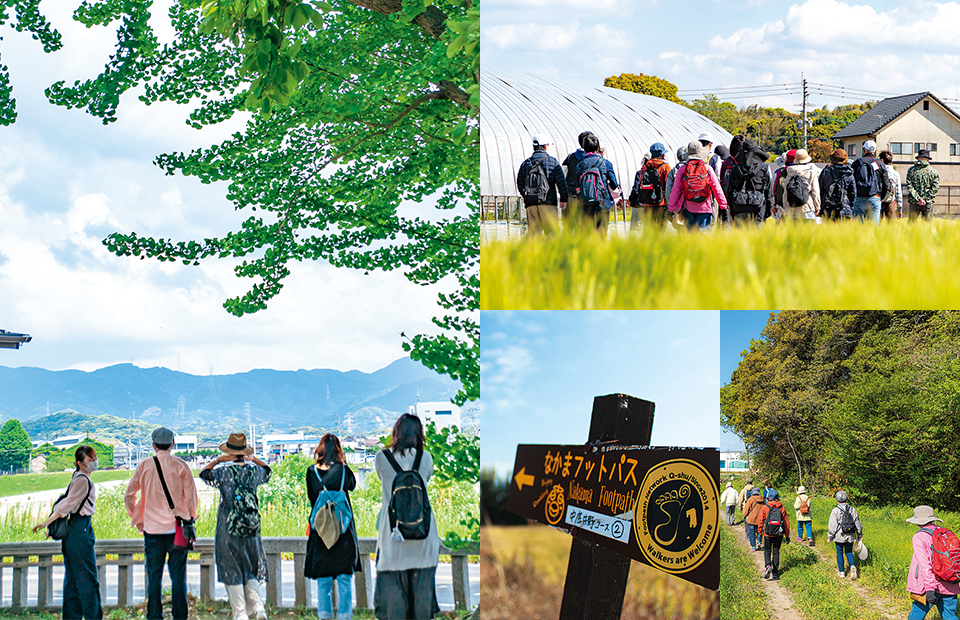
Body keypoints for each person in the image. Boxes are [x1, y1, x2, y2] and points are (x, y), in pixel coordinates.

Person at [125, 427, 199, 620]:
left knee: (154, 578)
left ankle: (155, 616)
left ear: (153, 445)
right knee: (178, 577)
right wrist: (190, 517)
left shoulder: (144, 466)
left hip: (152, 531)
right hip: (177, 530)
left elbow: (129, 495)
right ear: (173, 444)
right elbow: (191, 497)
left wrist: (138, 516)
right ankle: (180, 616)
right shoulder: (181, 465)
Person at [374, 414, 441, 619]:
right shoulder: (426, 457)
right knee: (421, 606)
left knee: (394, 608)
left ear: (396, 433)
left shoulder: (381, 457)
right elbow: (425, 479)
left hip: (393, 540)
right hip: (424, 537)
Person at [199, 433, 271, 620]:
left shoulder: (223, 472)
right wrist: (254, 459)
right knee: (250, 568)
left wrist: (218, 460)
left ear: (229, 452)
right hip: (251, 528)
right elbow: (268, 471)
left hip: (227, 529)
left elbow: (204, 474)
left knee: (231, 568)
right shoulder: (255, 472)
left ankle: (240, 613)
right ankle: (258, 607)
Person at [33, 445, 102, 620]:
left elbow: (65, 504)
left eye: (94, 458)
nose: (94, 462)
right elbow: (65, 505)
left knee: (72, 580)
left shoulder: (78, 477)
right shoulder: (82, 480)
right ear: (80, 463)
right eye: (90, 460)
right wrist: (47, 522)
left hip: (74, 531)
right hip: (80, 529)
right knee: (88, 579)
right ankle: (93, 616)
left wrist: (50, 524)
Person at [306, 434, 361, 620]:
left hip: (321, 531)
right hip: (343, 530)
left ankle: (325, 616)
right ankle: (345, 616)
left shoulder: (311, 472)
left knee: (324, 580)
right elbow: (352, 486)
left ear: (320, 449)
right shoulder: (344, 471)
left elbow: (312, 497)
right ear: (338, 450)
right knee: (344, 579)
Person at [906, 505, 959, 619]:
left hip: (928, 586)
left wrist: (930, 589)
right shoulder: (944, 533)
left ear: (918, 522)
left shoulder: (919, 537)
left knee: (916, 615)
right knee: (950, 616)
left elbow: (925, 564)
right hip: (950, 583)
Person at [667, 141, 728, 231]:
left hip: (688, 208)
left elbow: (676, 190)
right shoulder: (708, 169)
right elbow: (717, 189)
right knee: (703, 238)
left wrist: (671, 208)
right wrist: (723, 206)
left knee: (690, 236)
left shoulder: (683, 169)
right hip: (705, 208)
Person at [516, 135, 567, 236]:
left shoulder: (526, 163)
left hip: (531, 205)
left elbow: (520, 183)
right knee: (551, 233)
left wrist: (527, 196)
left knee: (534, 235)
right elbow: (561, 182)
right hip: (548, 203)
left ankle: (534, 252)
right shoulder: (552, 162)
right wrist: (564, 199)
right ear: (545, 146)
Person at [575, 134, 619, 235]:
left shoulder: (580, 165)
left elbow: (577, 185)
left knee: (587, 233)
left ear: (584, 148)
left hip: (586, 203)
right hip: (602, 203)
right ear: (598, 147)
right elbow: (614, 183)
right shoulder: (605, 163)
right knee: (602, 232)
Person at [725, 138, 772, 225]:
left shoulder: (736, 169)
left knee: (739, 237)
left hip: (738, 208)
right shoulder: (763, 169)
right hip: (758, 209)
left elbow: (730, 191)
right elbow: (768, 191)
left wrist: (731, 209)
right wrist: (768, 210)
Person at [628, 142, 671, 229]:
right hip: (661, 202)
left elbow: (641, 183)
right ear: (662, 154)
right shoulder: (665, 166)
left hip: (647, 202)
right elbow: (668, 185)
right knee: (661, 227)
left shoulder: (645, 166)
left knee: (649, 227)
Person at [562, 131, 596, 228]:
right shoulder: (594, 159)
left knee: (569, 225)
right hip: (587, 196)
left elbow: (563, 174)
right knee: (585, 226)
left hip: (571, 195)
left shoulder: (571, 157)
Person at [827, 490, 863, 579]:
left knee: (839, 552)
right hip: (851, 534)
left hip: (839, 535)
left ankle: (842, 572)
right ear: (846, 499)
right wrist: (860, 534)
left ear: (837, 500)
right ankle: (852, 566)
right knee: (849, 551)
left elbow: (832, 525)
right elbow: (857, 523)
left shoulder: (835, 510)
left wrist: (830, 536)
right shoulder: (852, 509)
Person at [852, 140, 888, 224]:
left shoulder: (856, 163)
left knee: (857, 228)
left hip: (859, 198)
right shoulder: (880, 164)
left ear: (864, 150)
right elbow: (886, 183)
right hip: (875, 197)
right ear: (875, 151)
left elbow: (851, 181)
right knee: (872, 229)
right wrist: (882, 197)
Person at [757, 490, 790, 580]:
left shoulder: (765, 507)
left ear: (768, 498)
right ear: (777, 498)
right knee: (776, 551)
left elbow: (760, 520)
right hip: (778, 534)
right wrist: (787, 535)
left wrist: (759, 532)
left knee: (767, 550)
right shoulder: (781, 507)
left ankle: (768, 566)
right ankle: (775, 572)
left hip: (767, 533)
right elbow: (786, 522)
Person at [783, 148, 821, 222]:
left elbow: (785, 193)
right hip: (807, 208)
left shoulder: (790, 173)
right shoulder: (811, 173)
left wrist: (785, 207)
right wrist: (817, 207)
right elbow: (815, 192)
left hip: (791, 209)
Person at [818, 149, 856, 221]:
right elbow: (853, 193)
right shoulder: (849, 173)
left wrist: (820, 207)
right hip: (844, 208)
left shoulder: (826, 171)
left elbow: (820, 190)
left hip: (828, 207)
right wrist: (851, 208)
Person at [906, 149, 940, 220]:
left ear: (918, 158)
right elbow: (935, 188)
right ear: (928, 159)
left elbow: (909, 186)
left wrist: (918, 198)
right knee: (927, 226)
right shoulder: (933, 171)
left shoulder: (911, 170)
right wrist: (924, 198)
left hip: (914, 201)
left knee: (912, 225)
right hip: (927, 202)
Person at [878, 150, 903, 220]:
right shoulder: (895, 174)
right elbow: (898, 192)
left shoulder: (878, 172)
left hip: (879, 200)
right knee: (890, 227)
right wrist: (899, 208)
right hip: (891, 202)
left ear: (881, 160)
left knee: (877, 225)